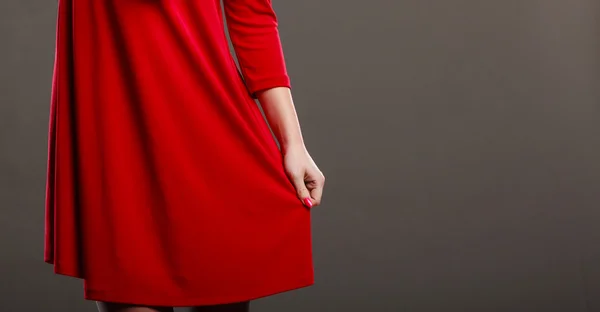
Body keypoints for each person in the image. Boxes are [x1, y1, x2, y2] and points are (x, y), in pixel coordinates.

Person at [43, 0, 325, 311]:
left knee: (221, 289)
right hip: (118, 137)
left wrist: (293, 144)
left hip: (208, 134)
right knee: (130, 291)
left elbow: (253, 20)